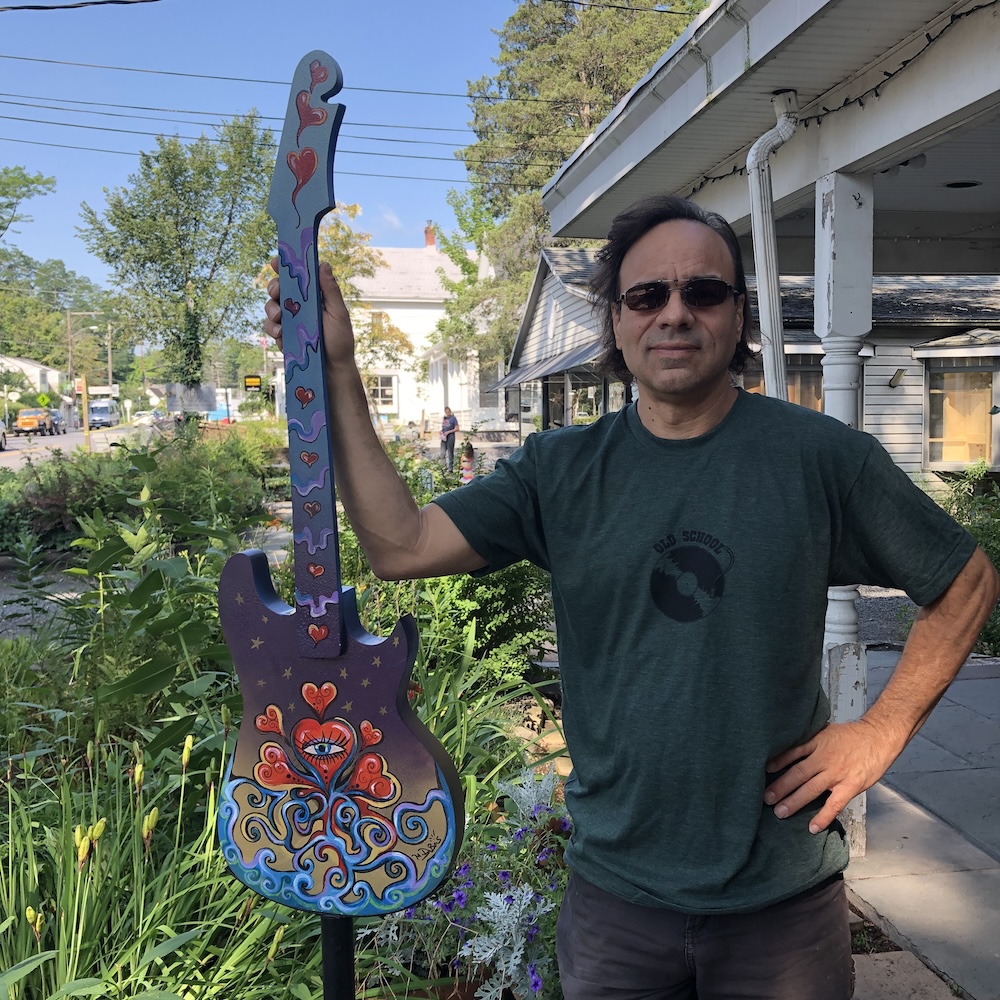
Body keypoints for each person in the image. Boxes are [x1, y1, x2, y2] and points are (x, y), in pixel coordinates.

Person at [264, 194, 999, 1000]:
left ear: (737, 313)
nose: (674, 314)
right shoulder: (560, 472)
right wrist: (338, 369)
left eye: (703, 293)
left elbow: (965, 581)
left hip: (780, 908)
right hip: (618, 905)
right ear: (615, 321)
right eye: (647, 295)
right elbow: (400, 545)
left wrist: (878, 734)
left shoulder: (819, 460)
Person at [439, 406, 458, 471]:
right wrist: (441, 431)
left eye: (448, 412)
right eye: (446, 412)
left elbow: (457, 428)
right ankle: (443, 467)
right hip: (444, 437)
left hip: (450, 436)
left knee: (450, 452)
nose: (447, 413)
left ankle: (450, 468)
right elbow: (444, 427)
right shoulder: (444, 418)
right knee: (442, 452)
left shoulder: (453, 418)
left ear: (450, 412)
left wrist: (449, 432)